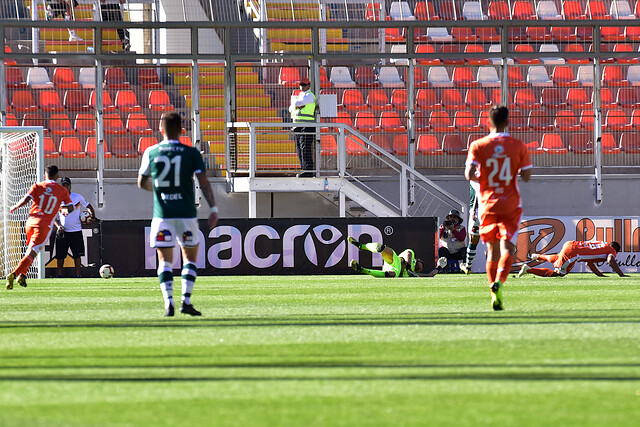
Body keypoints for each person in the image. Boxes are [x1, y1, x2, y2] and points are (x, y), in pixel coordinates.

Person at [138, 112, 218, 317]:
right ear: (182, 130)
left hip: (162, 214)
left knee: (164, 260)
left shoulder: (151, 151)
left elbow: (141, 182)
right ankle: (186, 301)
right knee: (189, 258)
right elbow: (204, 182)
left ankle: (169, 303)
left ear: (160, 129)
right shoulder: (191, 152)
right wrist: (213, 208)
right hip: (186, 214)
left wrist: (159, 190)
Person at [465, 105, 532, 310]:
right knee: (508, 249)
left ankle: (492, 292)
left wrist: (483, 178)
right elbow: (527, 177)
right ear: (508, 122)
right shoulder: (518, 145)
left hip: (487, 204)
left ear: (489, 122)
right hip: (510, 204)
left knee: (491, 251)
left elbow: (469, 174)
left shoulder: (478, 145)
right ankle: (500, 283)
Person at [5, 165, 73, 290]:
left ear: (44, 175)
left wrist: (15, 206)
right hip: (44, 224)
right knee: (33, 252)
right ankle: (13, 274)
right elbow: (70, 207)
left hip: (30, 222)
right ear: (57, 176)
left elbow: (26, 199)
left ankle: (23, 275)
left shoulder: (37, 186)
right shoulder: (62, 190)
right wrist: (64, 210)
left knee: (29, 250)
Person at [53, 177, 95, 278]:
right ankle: (59, 275)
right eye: (63, 185)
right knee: (60, 256)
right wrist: (58, 226)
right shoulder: (57, 199)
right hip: (62, 232)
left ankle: (78, 275)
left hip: (75, 231)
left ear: (70, 186)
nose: (65, 187)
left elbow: (88, 206)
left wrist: (91, 217)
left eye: (67, 185)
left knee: (77, 255)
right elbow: (52, 217)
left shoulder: (77, 197)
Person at [517, 241, 629, 278]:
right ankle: (528, 269)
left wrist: (600, 275)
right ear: (616, 250)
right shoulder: (612, 251)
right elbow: (611, 260)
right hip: (573, 253)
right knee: (559, 274)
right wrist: (621, 275)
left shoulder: (602, 244)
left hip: (570, 244)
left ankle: (539, 256)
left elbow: (588, 264)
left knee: (560, 259)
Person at [348, 236, 447, 277]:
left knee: (392, 274)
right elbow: (408, 254)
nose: (420, 268)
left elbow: (430, 275)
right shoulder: (411, 256)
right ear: (418, 260)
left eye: (420, 269)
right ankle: (362, 246)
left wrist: (439, 267)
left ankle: (362, 270)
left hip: (395, 269)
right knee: (382, 248)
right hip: (395, 260)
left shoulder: (413, 274)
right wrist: (408, 266)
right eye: (421, 265)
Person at [288, 77, 316, 177]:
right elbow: (290, 108)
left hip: (307, 125)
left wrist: (296, 104)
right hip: (298, 126)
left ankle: (308, 171)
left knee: (305, 148)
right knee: (299, 149)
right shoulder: (300, 95)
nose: (302, 86)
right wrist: (296, 105)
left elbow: (296, 104)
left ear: (309, 85)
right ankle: (303, 169)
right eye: (301, 84)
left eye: (304, 85)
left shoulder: (310, 95)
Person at [460, 181, 481, 275]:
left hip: (478, 212)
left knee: (473, 240)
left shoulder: (475, 174)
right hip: (492, 210)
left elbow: (478, 191)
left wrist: (473, 210)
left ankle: (468, 267)